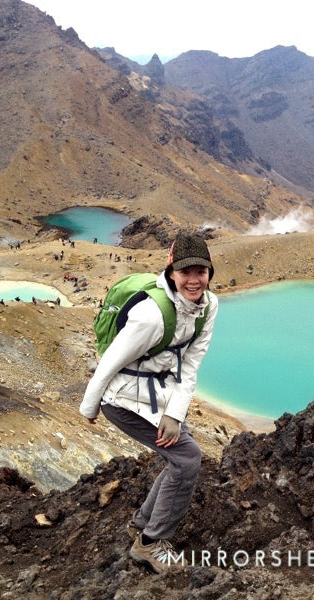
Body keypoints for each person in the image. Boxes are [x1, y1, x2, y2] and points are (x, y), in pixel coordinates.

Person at [80, 233, 219, 572]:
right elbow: (110, 361)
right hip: (121, 399)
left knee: (179, 458)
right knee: (187, 459)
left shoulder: (208, 307)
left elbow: (191, 364)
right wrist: (90, 407)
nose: (194, 280)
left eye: (201, 271)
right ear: (172, 272)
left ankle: (141, 525)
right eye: (185, 272)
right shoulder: (151, 315)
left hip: (161, 396)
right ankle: (150, 543)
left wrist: (175, 413)